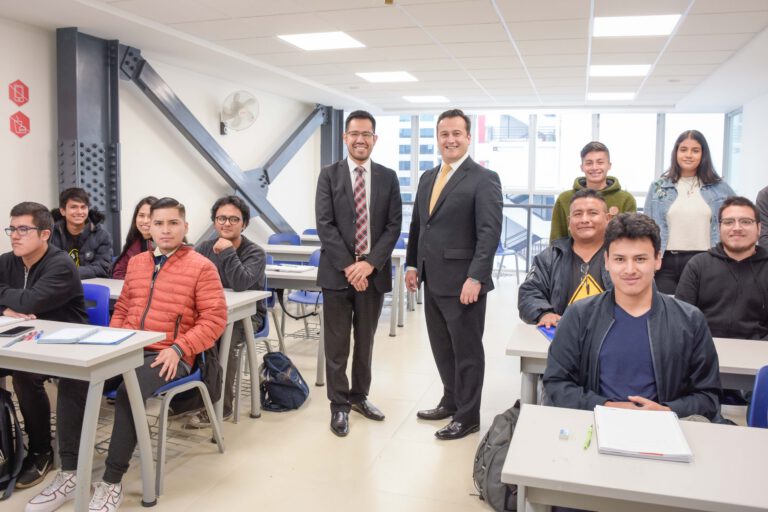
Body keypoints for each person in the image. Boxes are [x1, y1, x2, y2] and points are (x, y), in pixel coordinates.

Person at [27, 197, 227, 512]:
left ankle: (111, 481)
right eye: (158, 222)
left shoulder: (202, 267)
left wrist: (180, 348)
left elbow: (214, 320)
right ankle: (69, 475)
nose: (165, 229)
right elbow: (122, 308)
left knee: (127, 391)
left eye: (173, 223)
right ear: (148, 226)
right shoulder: (138, 263)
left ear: (185, 227)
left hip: (172, 353)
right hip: (128, 346)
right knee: (73, 379)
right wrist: (115, 341)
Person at [543, 213, 721, 421]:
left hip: (664, 427)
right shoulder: (579, 315)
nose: (630, 270)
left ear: (657, 260)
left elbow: (709, 397)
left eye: (640, 259)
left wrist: (667, 411)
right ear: (606, 261)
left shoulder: (689, 319)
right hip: (595, 423)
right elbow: (556, 383)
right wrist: (605, 406)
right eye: (620, 259)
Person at [405, 108, 502, 440]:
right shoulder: (428, 177)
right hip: (433, 280)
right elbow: (419, 225)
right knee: (442, 347)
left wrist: (476, 276)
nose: (450, 139)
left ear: (468, 137)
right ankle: (450, 400)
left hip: (465, 283)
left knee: (467, 350)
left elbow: (489, 233)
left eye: (456, 133)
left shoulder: (483, 179)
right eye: (444, 134)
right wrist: (413, 264)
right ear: (438, 138)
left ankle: (468, 414)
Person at [315, 110, 402, 437]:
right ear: (345, 137)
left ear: (375, 139)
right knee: (337, 345)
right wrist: (350, 266)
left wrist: (369, 263)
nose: (360, 139)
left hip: (373, 275)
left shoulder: (388, 177)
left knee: (365, 342)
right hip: (337, 275)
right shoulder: (328, 175)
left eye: (366, 134)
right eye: (354, 133)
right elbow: (325, 224)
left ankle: (359, 397)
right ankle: (338, 406)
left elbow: (394, 226)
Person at [0, 202, 87, 491]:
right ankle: (7, 446)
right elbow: (22, 302)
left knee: (25, 376)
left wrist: (7, 301)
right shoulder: (8, 260)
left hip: (64, 343)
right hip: (22, 339)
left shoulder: (60, 263)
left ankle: (41, 451)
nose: (15, 235)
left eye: (23, 229)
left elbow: (31, 302)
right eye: (12, 228)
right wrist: (6, 309)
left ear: (45, 234)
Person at [189, 194, 267, 427]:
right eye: (221, 218)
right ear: (214, 221)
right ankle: (189, 398)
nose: (227, 223)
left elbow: (241, 282)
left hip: (246, 316)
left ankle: (220, 405)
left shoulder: (255, 252)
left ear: (244, 224)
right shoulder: (203, 248)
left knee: (224, 337)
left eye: (234, 219)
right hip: (210, 313)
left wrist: (227, 252)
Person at [644, 130, 735, 294]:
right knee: (666, 312)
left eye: (695, 150)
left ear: (703, 154)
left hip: (706, 260)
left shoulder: (720, 188)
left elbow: (734, 222)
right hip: (665, 262)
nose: (689, 155)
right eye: (683, 149)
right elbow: (647, 227)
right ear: (676, 152)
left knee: (700, 313)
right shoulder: (658, 187)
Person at [676, 196, 768, 340]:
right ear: (719, 228)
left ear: (759, 228)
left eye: (746, 221)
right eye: (729, 222)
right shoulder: (698, 265)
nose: (737, 228)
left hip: (760, 353)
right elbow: (681, 319)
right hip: (704, 350)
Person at [518, 189, 612, 327]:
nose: (584, 219)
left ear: (608, 219)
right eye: (577, 214)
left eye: (593, 213)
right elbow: (529, 293)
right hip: (562, 337)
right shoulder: (550, 257)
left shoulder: (622, 256)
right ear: (569, 222)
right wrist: (544, 314)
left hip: (611, 337)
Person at [549, 141, 636, 241]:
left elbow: (630, 239)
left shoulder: (625, 199)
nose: (594, 168)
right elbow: (556, 239)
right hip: (572, 256)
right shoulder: (564, 198)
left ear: (609, 165)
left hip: (613, 255)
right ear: (582, 167)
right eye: (589, 163)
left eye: (600, 162)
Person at [50, 187, 113, 279]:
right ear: (63, 211)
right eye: (74, 207)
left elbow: (102, 268)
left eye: (83, 207)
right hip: (59, 286)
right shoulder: (51, 235)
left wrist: (68, 272)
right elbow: (47, 265)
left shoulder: (102, 236)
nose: (79, 212)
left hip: (91, 287)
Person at [111, 196, 157, 279]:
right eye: (141, 215)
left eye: (150, 216)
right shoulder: (133, 243)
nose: (145, 221)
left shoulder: (166, 245)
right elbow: (118, 273)